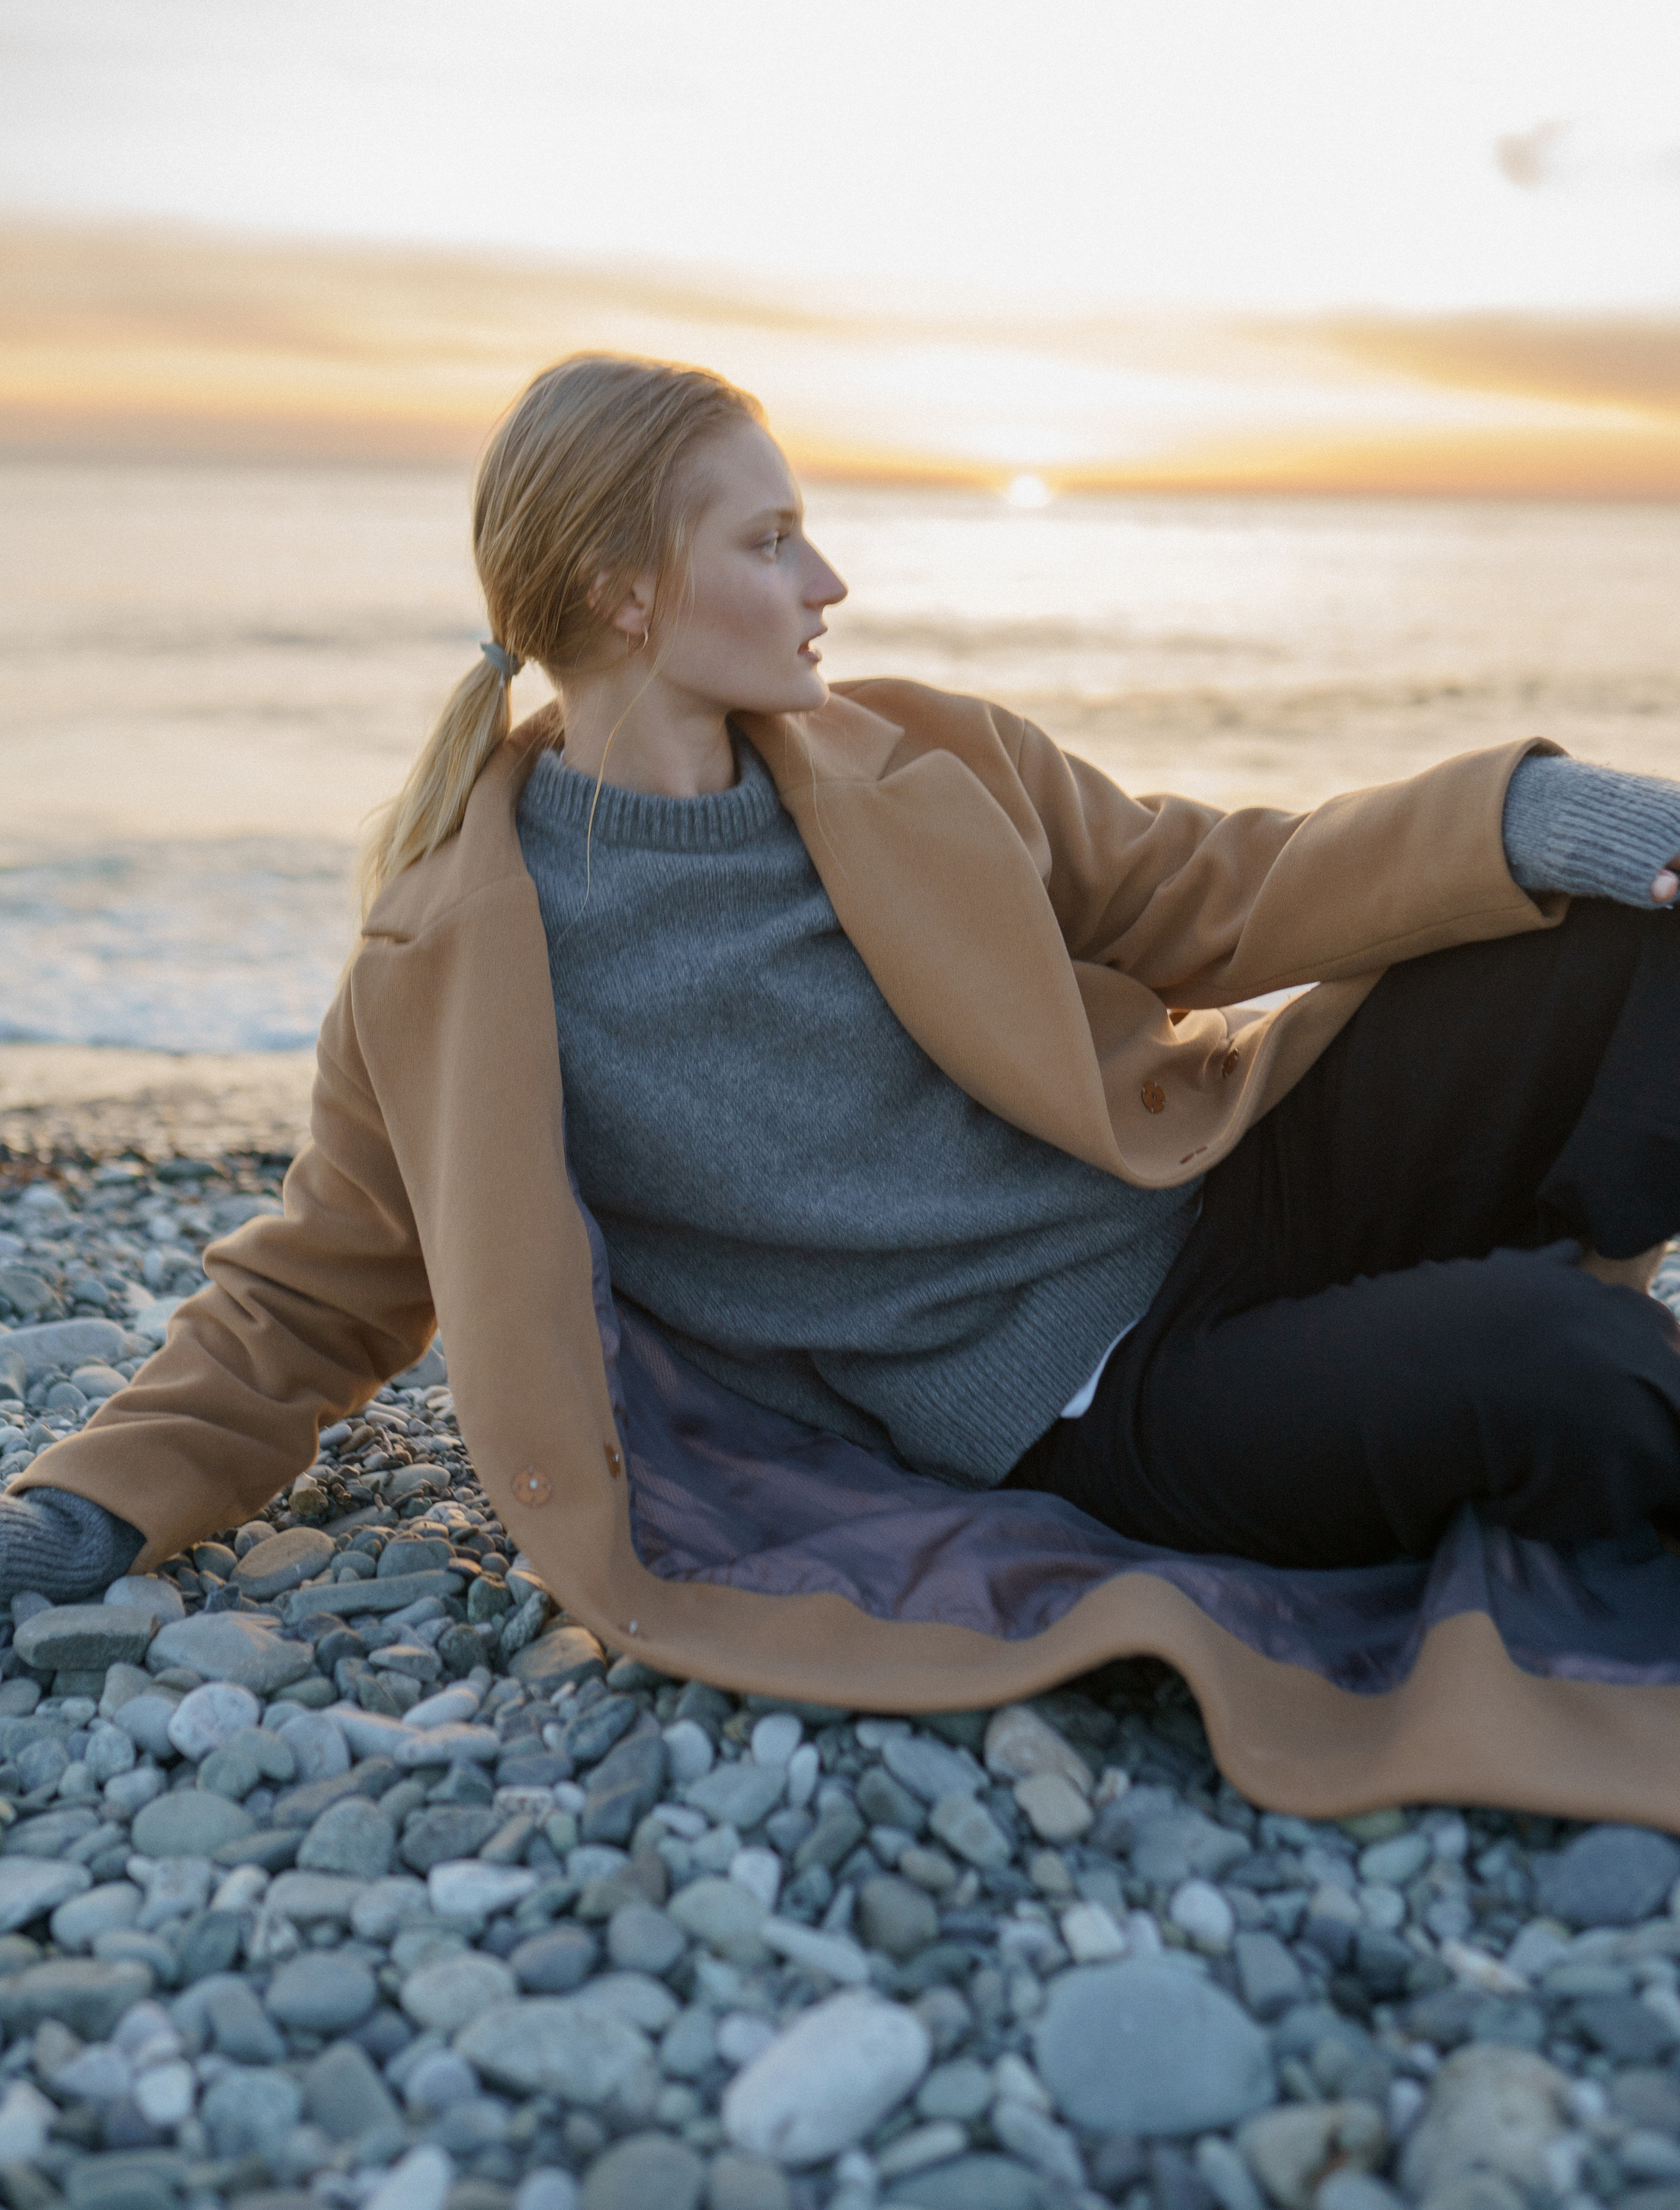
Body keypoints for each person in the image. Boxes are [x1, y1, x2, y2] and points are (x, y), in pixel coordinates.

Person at [6, 352, 1680, 1621]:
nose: (829, 583)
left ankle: (1455, 1286)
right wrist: (91, 1501)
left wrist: (1521, 816)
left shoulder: (917, 751)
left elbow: (1202, 887)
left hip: (1227, 1187)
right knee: (1565, 1369)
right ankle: (1466, 1323)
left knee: (1633, 930)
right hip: (1096, 1403)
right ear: (627, 592)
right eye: (776, 538)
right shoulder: (457, 963)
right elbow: (310, 1291)